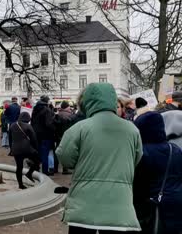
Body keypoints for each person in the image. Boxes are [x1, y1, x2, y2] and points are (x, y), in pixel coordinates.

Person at [56, 83, 143, 234]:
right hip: (119, 207)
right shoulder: (132, 129)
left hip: (83, 206)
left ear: (87, 103)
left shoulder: (79, 128)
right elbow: (136, 158)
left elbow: (65, 159)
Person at [133, 112, 182, 234]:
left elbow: (138, 184)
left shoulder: (141, 153)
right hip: (176, 204)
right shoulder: (174, 149)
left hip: (151, 207)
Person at [9, 112, 39, 189]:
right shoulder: (28, 126)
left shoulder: (12, 125)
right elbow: (34, 139)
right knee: (37, 161)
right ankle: (29, 173)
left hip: (16, 149)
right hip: (27, 149)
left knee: (19, 167)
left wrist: (11, 149)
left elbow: (10, 139)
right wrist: (35, 149)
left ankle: (20, 185)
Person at [31, 95, 55, 175]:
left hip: (36, 134)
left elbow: (32, 121)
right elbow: (48, 124)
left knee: (37, 153)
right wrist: (54, 128)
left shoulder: (35, 109)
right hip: (45, 135)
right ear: (47, 101)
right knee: (45, 153)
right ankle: (45, 171)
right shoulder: (47, 110)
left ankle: (36, 169)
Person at [54, 101, 72, 175]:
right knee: (66, 152)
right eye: (69, 106)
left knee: (57, 152)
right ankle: (65, 169)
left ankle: (55, 168)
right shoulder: (69, 115)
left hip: (58, 136)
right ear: (66, 107)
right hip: (66, 136)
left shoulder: (58, 114)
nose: (70, 108)